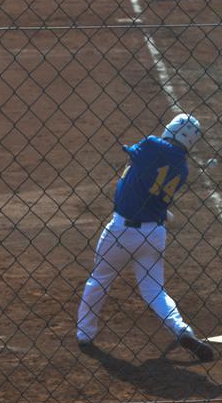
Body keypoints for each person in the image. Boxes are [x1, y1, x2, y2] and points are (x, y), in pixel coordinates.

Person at [76, 114, 214, 362]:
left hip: (121, 231)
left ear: (170, 129)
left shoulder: (151, 145)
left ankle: (85, 334)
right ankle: (181, 329)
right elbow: (153, 190)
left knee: (100, 279)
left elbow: (132, 157)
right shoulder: (182, 168)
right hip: (154, 234)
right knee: (154, 289)